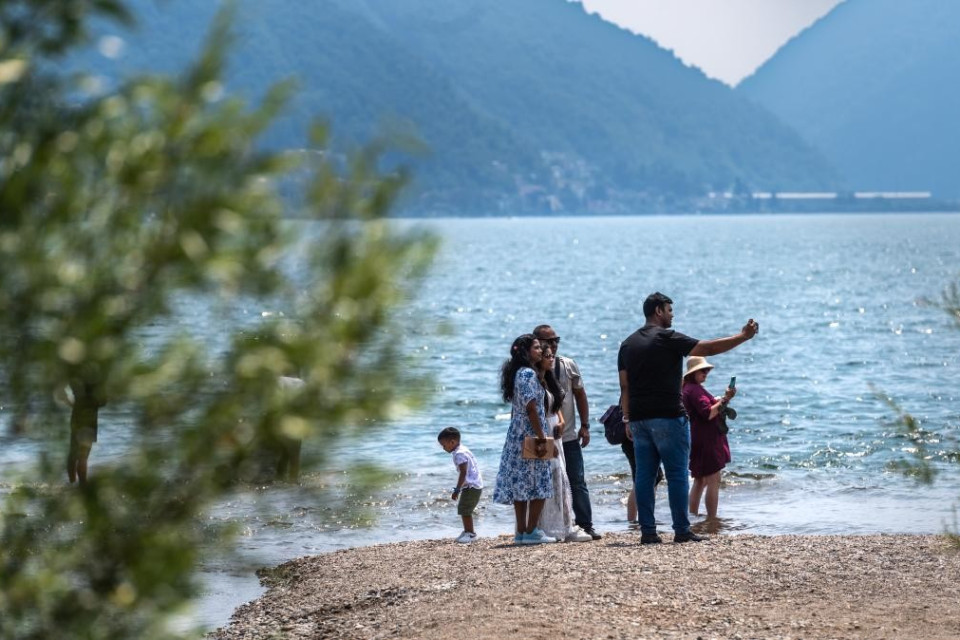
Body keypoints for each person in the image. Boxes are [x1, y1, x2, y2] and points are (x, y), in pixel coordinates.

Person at [618, 292, 758, 544]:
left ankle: (648, 532)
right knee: (677, 475)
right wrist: (743, 337)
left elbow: (625, 387)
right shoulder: (667, 338)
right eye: (670, 310)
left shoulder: (627, 344)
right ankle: (681, 530)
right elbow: (708, 348)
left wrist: (627, 418)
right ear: (659, 311)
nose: (672, 315)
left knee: (644, 476)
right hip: (669, 417)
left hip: (639, 419)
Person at [532, 325, 601, 540]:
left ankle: (585, 524)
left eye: (556, 340)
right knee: (544, 483)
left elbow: (580, 395)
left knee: (576, 480)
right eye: (547, 341)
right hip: (543, 436)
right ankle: (549, 527)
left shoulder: (567, 365)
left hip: (568, 435)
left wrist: (585, 426)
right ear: (537, 342)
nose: (553, 344)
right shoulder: (530, 369)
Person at [492, 334, 556, 545]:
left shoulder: (518, 372)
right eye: (536, 348)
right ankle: (531, 530)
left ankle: (521, 531)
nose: (540, 351)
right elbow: (531, 407)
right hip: (529, 431)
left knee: (521, 483)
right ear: (527, 352)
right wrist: (542, 437)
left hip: (517, 433)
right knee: (541, 481)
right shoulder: (528, 373)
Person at [681, 356, 735, 521]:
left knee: (700, 480)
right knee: (713, 480)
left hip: (697, 437)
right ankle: (712, 518)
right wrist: (725, 399)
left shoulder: (688, 388)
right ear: (693, 373)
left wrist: (719, 400)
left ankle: (692, 516)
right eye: (702, 371)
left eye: (707, 370)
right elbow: (708, 412)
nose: (706, 373)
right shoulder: (695, 390)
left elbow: (706, 409)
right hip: (707, 439)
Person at [438, 426, 484, 544]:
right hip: (474, 484)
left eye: (444, 445)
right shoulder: (463, 449)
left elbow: (463, 472)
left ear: (452, 442)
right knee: (464, 508)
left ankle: (471, 534)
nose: (443, 448)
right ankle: (467, 531)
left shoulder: (459, 454)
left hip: (471, 486)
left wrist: (457, 489)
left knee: (465, 509)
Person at [65, 378, 107, 486]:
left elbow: (64, 387)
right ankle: (82, 485)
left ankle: (72, 483)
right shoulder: (96, 377)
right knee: (83, 454)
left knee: (73, 452)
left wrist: (71, 402)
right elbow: (104, 400)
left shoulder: (76, 374)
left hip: (77, 414)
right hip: (90, 417)